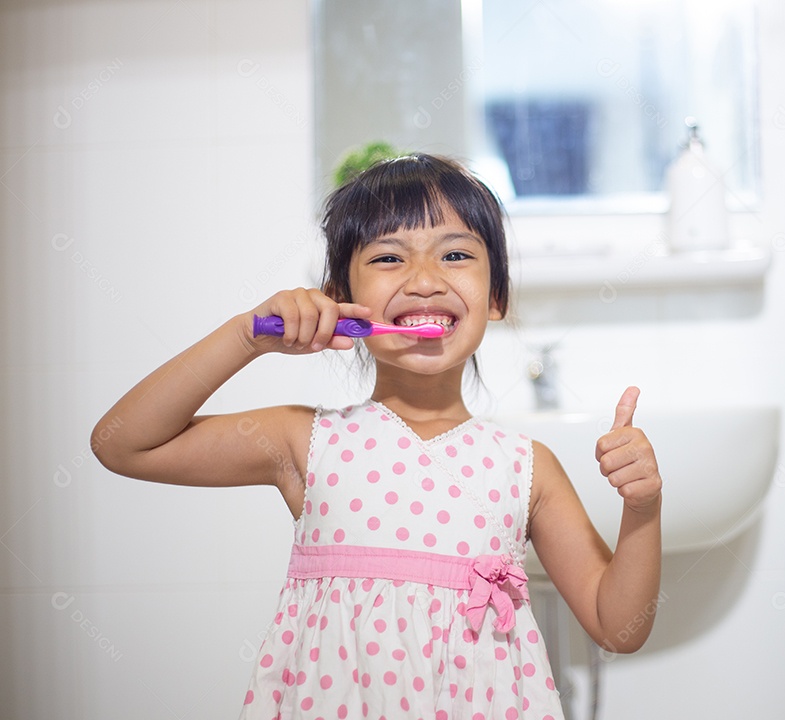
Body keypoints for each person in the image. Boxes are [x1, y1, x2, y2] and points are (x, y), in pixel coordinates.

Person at [92, 153, 662, 720]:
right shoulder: (304, 441)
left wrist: (643, 509)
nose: (424, 280)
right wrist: (248, 337)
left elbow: (617, 626)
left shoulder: (526, 466)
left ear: (496, 298)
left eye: (456, 254)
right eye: (389, 257)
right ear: (344, 299)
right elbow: (123, 442)